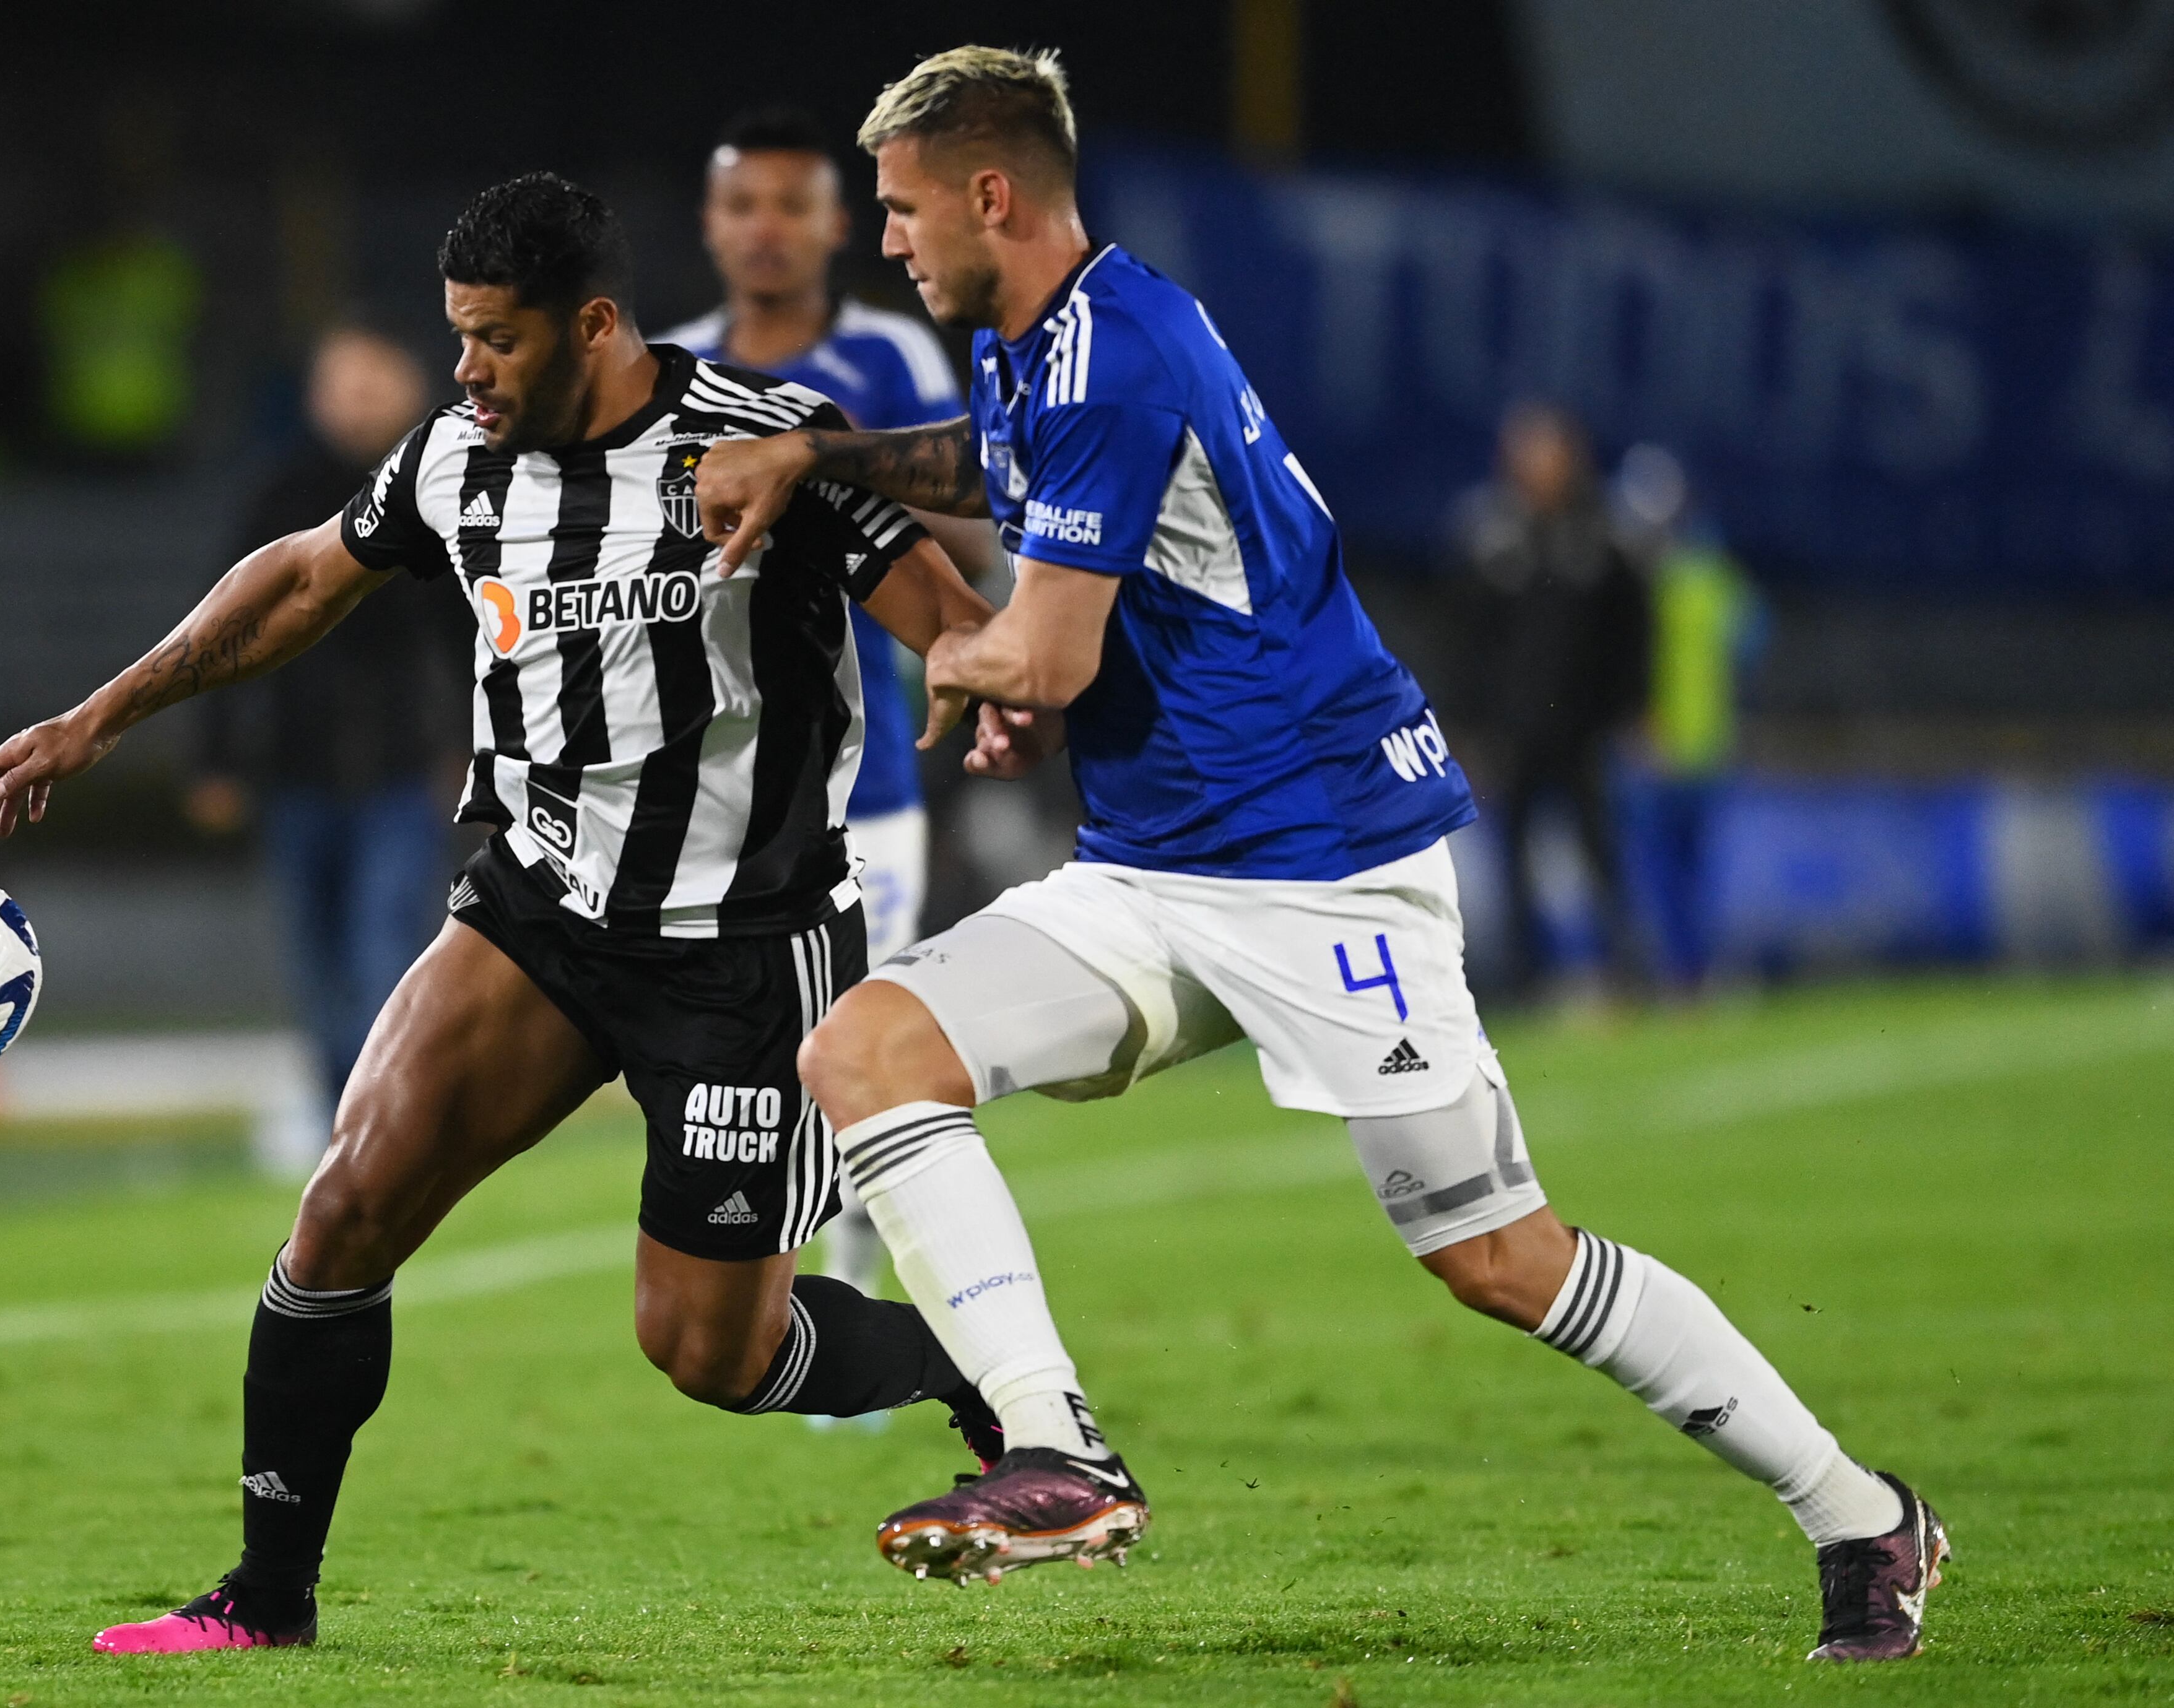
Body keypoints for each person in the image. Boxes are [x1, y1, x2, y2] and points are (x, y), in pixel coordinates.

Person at [695, 47, 1946, 1662]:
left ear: (990, 193)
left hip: (1321, 863)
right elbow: (994, 473)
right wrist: (826, 456)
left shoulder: (1112, 354)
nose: (888, 238)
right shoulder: (1052, 337)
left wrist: (966, 662)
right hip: (1156, 870)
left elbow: (1050, 658)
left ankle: (1861, 1511)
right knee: (868, 1044)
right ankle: (1057, 1448)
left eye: (904, 204)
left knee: (1500, 1254)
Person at [0, 174, 998, 1655]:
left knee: (711, 1348)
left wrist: (983, 682)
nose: (467, 371)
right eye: (456, 337)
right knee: (344, 1208)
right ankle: (266, 1600)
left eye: (496, 341)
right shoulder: (457, 455)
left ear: (591, 325)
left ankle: (976, 1366)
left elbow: (945, 615)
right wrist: (103, 715)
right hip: (543, 907)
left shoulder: (760, 445)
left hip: (741, 948)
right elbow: (307, 579)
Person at [658, 106, 1002, 1359]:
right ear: (710, 222)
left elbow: (977, 531)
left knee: (848, 1036)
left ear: (832, 223)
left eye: (787, 206)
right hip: (709, 777)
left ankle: (858, 1304)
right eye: (740, 204)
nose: (763, 229)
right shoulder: (669, 367)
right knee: (743, 1047)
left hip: (864, 779)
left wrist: (823, 470)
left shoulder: (892, 357)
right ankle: (765, 1297)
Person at [189, 323, 474, 1111]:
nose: (354, 400)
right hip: (295, 767)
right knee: (315, 966)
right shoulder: (277, 494)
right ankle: (338, 1119)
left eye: (369, 380)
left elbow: (473, 634)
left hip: (399, 764)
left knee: (385, 948)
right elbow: (220, 628)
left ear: (409, 384)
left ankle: (376, 1118)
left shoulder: (444, 491)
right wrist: (215, 757)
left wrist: (473, 745)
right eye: (340, 382)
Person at [1451, 403, 1653, 999]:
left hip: (1582, 729)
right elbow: (1463, 637)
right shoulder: (1490, 536)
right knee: (1513, 860)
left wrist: (1635, 709)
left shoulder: (1602, 537)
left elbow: (1632, 632)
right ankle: (1524, 983)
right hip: (1512, 734)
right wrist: (1463, 721)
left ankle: (1626, 972)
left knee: (1601, 854)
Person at [1613, 443, 1762, 994]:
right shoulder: (1709, 574)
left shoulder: (1645, 579)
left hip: (1672, 748)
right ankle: (1686, 974)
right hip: (1689, 746)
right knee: (1682, 874)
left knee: (1672, 874)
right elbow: (1751, 641)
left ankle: (1684, 974)